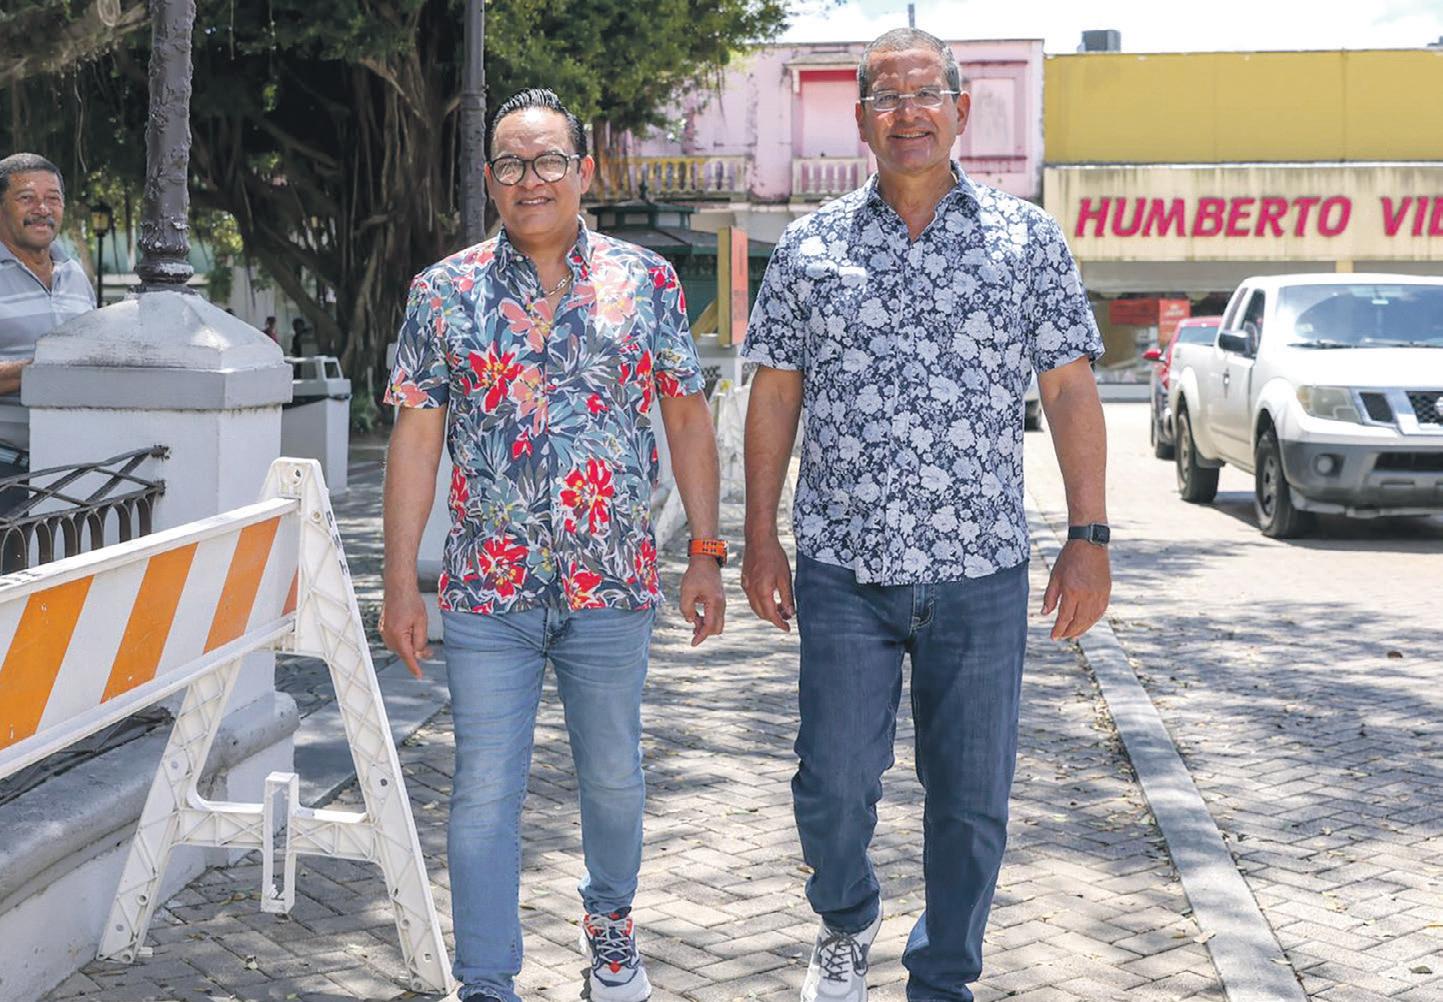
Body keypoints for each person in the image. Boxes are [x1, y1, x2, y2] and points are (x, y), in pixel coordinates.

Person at [740, 28, 1111, 1002]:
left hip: (979, 571)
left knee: (971, 805)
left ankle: (941, 978)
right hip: (842, 568)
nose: (907, 114)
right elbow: (774, 393)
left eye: (925, 95)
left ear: (960, 109)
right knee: (830, 786)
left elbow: (1069, 390)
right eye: (886, 98)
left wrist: (1088, 537)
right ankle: (846, 916)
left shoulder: (1026, 240)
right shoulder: (811, 247)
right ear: (860, 119)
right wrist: (757, 537)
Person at [381, 88, 726, 1002]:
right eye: (509, 163)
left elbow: (686, 417)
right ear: (488, 179)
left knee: (612, 777)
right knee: (481, 789)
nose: (528, 180)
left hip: (611, 585)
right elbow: (414, 441)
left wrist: (704, 549)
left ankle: (610, 927)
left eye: (547, 162)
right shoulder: (442, 292)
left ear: (584, 171)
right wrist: (399, 581)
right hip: (487, 592)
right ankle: (485, 980)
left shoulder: (646, 282)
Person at [0, 153, 95, 464]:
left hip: (72, 465)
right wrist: (44, 366)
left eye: (52, 198)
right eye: (26, 198)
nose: (42, 209)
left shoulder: (75, 273)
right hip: (6, 467)